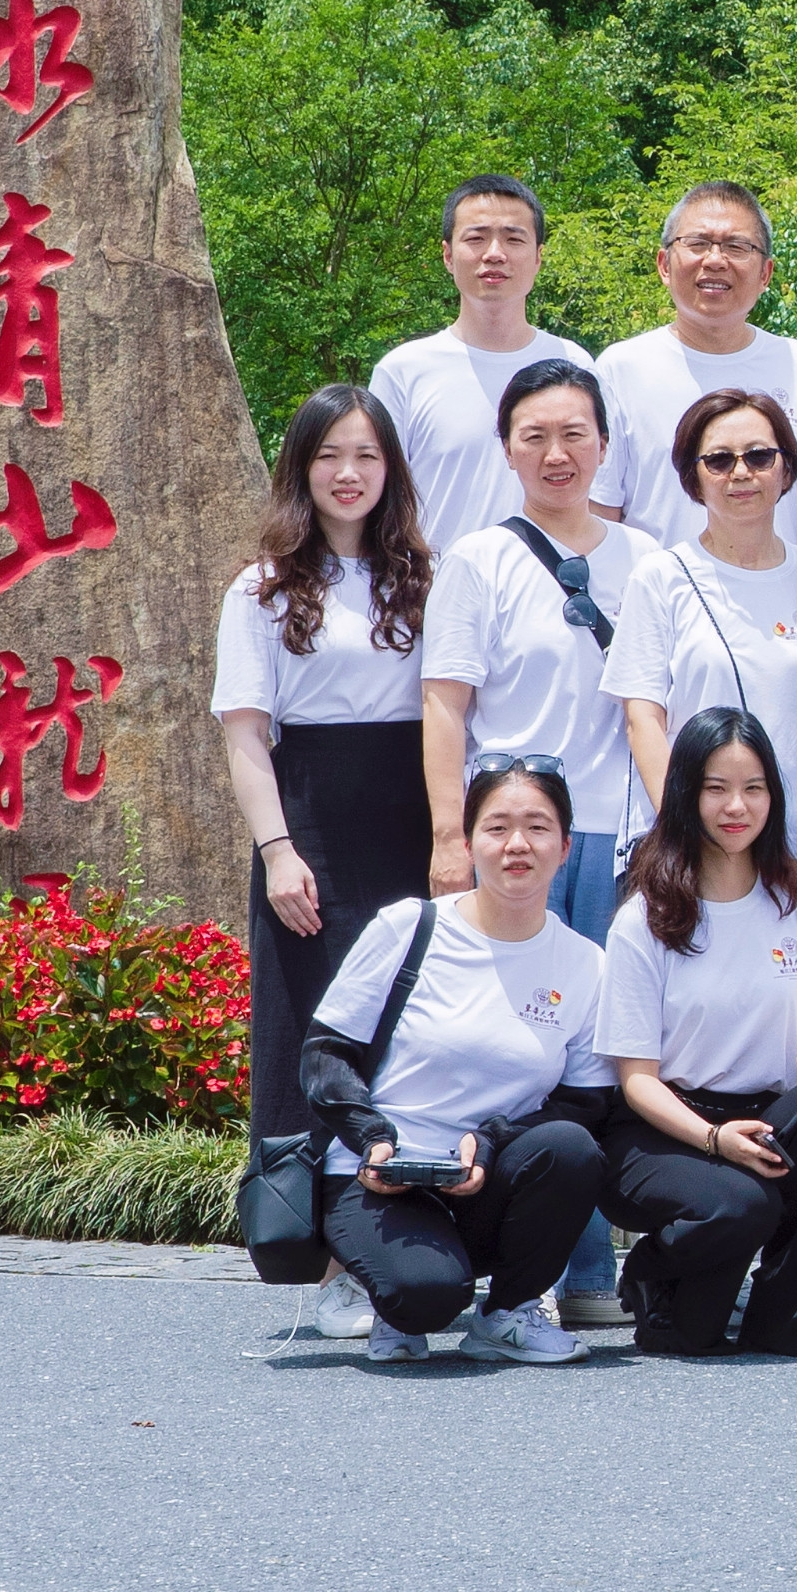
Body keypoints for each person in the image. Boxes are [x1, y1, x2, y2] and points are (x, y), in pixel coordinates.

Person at [415, 359, 663, 1325]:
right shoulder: (477, 561)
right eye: (535, 437)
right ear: (507, 450)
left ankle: (592, 1274)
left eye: (575, 435)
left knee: (603, 1052)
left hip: (617, 839)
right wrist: (450, 836)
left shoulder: (647, 559)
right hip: (514, 842)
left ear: (605, 444)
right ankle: (523, 1270)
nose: (557, 454)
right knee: (517, 1048)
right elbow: (446, 706)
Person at [211, 383, 436, 1344]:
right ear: (301, 469)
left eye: (367, 456)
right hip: (311, 828)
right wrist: (278, 852)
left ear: (391, 470)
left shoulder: (426, 578)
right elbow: (245, 737)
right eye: (329, 456)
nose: (349, 474)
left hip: (414, 820)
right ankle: (336, 1265)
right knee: (320, 1036)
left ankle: (416, 1246)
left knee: (410, 1038)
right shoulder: (262, 589)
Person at [298, 756, 615, 1364]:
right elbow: (326, 1056)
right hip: (379, 1175)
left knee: (571, 1148)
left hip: (487, 1178)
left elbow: (586, 1101)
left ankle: (509, 1312)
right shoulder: (408, 927)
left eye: (538, 827)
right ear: (468, 844)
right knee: (423, 1299)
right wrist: (372, 1139)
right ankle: (382, 1283)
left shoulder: (585, 965)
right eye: (497, 827)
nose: (517, 844)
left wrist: (492, 1141)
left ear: (566, 848)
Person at [594, 708, 797, 1355]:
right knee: (730, 1237)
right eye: (716, 788)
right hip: (668, 1128)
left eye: (754, 788)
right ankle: (652, 1273)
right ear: (685, 795)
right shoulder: (645, 917)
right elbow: (636, 1081)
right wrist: (714, 1138)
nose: (736, 807)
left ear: (774, 798)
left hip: (770, 1118)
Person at [607, 388, 797, 828]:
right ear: (693, 478)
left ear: (787, 470)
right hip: (692, 833)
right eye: (719, 460)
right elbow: (643, 720)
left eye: (760, 456)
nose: (741, 472)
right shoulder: (660, 577)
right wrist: (683, 827)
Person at [591, 183, 797, 554]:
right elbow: (601, 512)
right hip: (662, 587)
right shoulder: (621, 368)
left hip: (785, 588)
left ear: (765, 274)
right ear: (664, 264)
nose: (715, 260)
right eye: (698, 243)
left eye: (737, 246)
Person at [367, 176, 597, 552]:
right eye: (476, 238)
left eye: (513, 239)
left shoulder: (574, 364)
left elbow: (599, 494)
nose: (494, 253)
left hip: (557, 583)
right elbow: (376, 500)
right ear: (447, 255)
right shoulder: (403, 371)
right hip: (434, 584)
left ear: (538, 256)